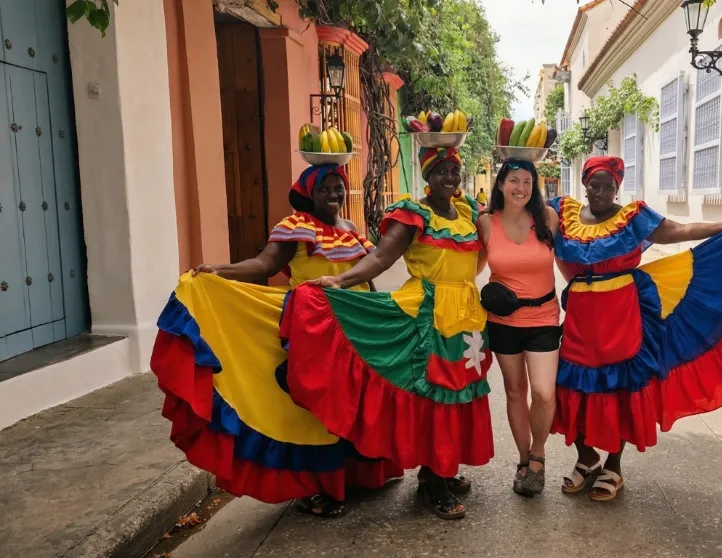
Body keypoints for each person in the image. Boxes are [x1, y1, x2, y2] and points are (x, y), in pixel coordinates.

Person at [150, 164, 403, 518]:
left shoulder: (350, 229)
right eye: (325, 190)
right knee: (317, 411)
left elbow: (366, 277)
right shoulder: (297, 227)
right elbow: (264, 265)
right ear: (310, 194)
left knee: (353, 403)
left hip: (356, 330)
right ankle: (321, 488)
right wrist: (219, 271)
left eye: (338, 188)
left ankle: (356, 476)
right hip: (313, 329)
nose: (333, 196)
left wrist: (381, 316)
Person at [550, 156, 722, 502]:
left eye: (609, 186)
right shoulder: (564, 215)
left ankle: (614, 465)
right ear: (585, 184)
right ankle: (587, 457)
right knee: (569, 385)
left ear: (617, 187)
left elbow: (678, 231)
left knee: (621, 388)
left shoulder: (632, 217)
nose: (601, 192)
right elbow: (524, 217)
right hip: (579, 317)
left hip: (622, 317)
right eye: (595, 184)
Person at [279, 147, 493, 520]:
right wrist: (341, 281)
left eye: (454, 170)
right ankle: (434, 482)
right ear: (427, 175)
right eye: (440, 170)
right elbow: (380, 258)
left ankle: (438, 467)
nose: (449, 177)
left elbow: (491, 249)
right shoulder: (414, 213)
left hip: (466, 314)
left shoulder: (469, 213)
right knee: (433, 395)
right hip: (426, 312)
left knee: (459, 391)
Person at [476, 159, 560, 497]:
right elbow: (472, 265)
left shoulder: (547, 219)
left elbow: (567, 260)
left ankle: (539, 454)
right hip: (502, 321)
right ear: (500, 184)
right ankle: (524, 461)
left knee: (543, 392)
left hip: (543, 317)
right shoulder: (486, 223)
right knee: (514, 391)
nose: (520, 188)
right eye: (513, 180)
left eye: (527, 181)